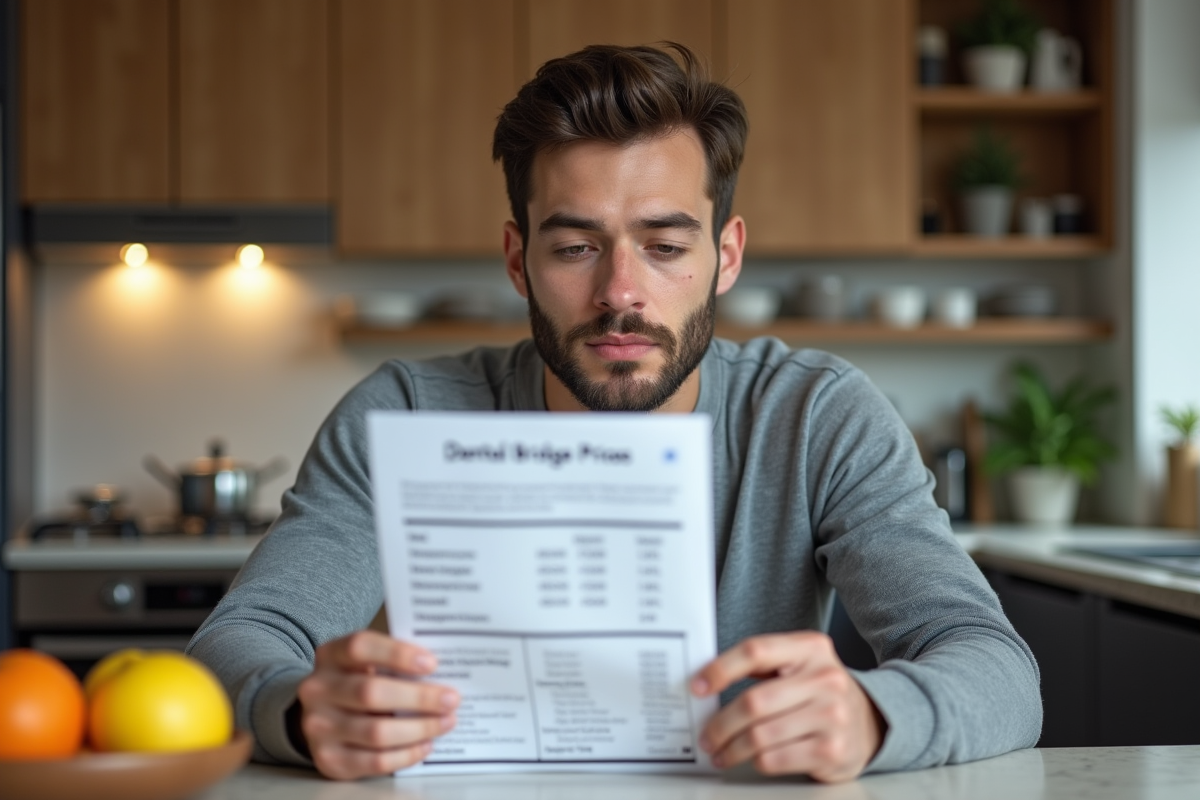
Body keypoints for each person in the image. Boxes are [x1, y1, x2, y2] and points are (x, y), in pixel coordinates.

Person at [188, 43, 1041, 783]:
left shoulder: (817, 417)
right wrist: (299, 710)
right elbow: (240, 643)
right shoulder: (403, 414)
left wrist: (871, 714)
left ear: (726, 256)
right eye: (575, 248)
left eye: (666, 247)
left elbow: (995, 668)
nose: (621, 294)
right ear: (519, 260)